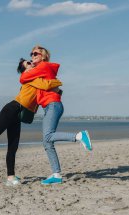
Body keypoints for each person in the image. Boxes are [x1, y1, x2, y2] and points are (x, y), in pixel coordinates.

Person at [19, 45, 92, 185]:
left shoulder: (43, 66)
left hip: (52, 105)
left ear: (44, 56)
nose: (32, 56)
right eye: (31, 54)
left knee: (48, 136)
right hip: (50, 106)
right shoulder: (41, 72)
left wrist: (28, 70)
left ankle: (79, 136)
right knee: (47, 142)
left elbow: (23, 78)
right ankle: (56, 174)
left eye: (36, 54)